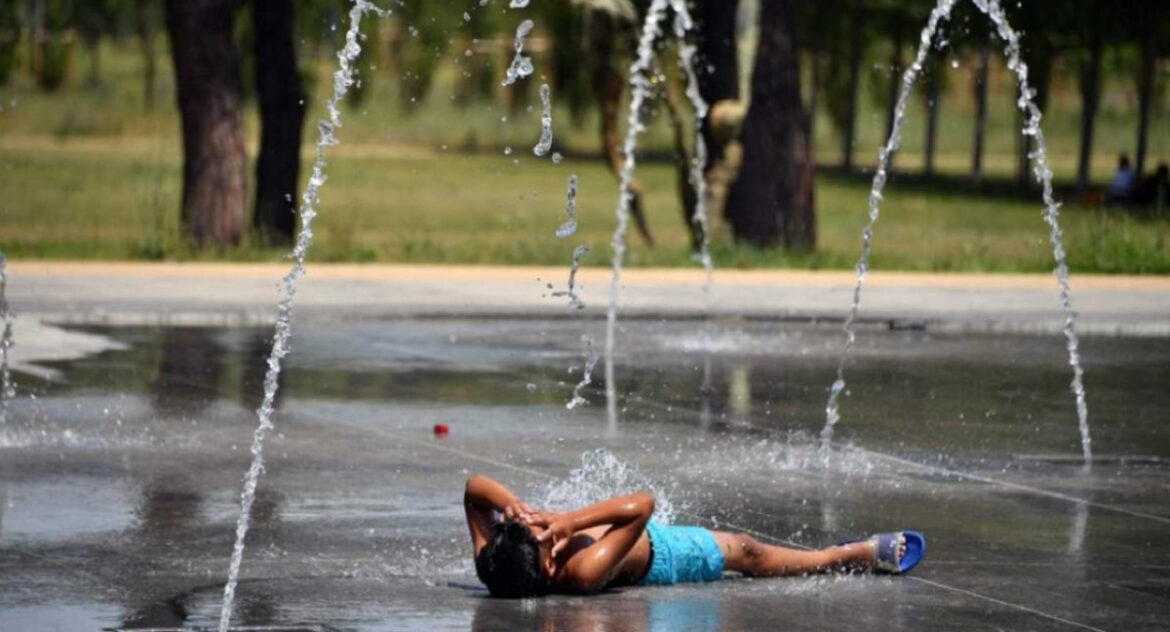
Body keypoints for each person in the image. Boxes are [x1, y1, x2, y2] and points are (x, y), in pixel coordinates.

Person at [464, 475, 925, 597]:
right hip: (664, 555)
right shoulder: (580, 571)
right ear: (548, 567)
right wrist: (571, 523)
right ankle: (843, 556)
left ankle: (839, 555)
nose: (546, 528)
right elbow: (643, 506)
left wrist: (513, 507)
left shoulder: (495, 564)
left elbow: (473, 491)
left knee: (747, 548)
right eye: (545, 537)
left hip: (630, 534)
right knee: (748, 551)